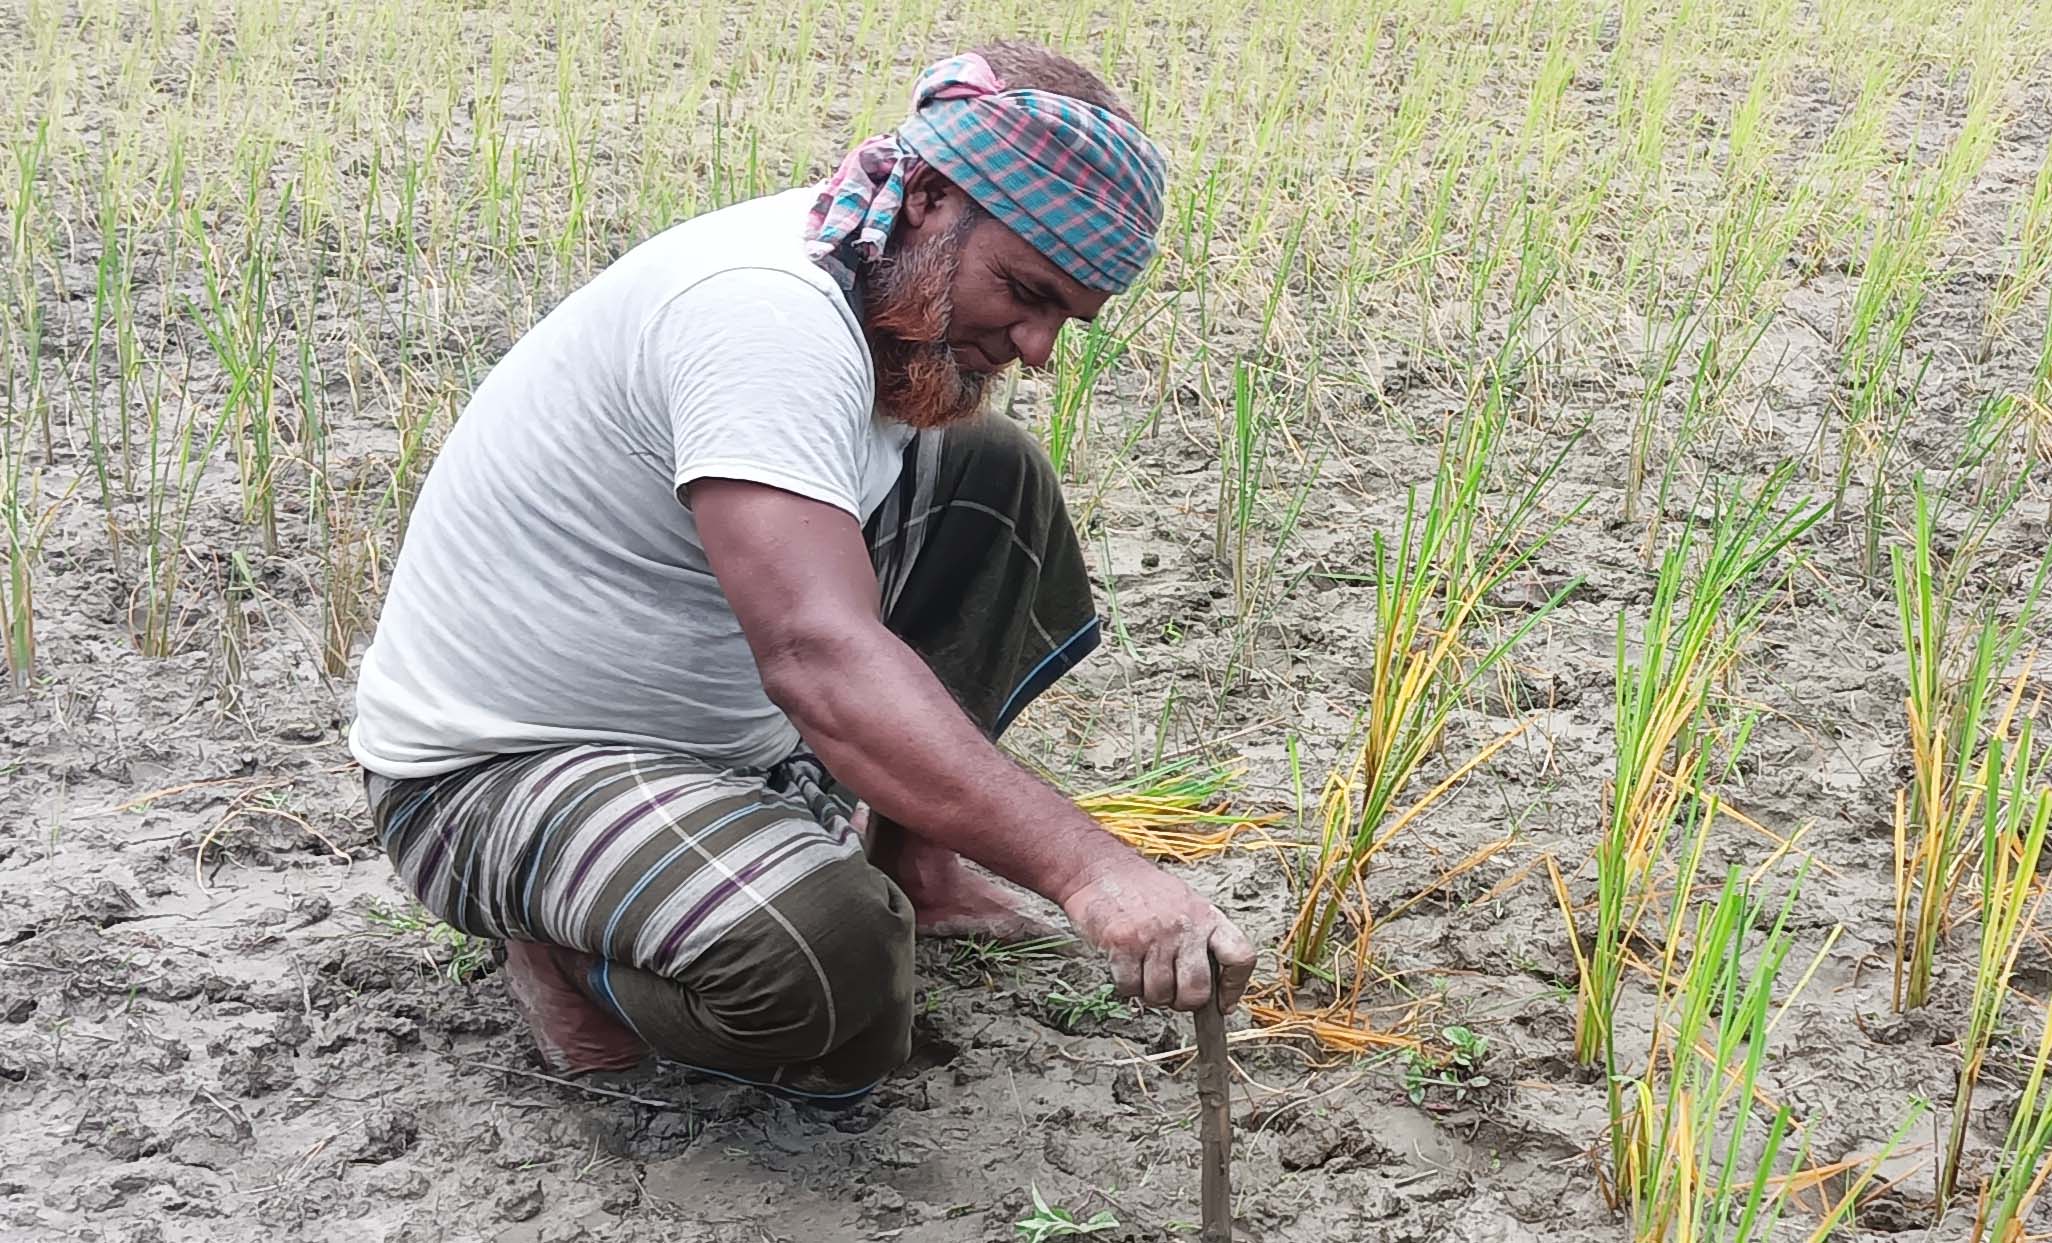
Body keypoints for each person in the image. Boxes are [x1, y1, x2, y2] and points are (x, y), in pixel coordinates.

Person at [347, 41, 1256, 1102]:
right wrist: (1093, 871)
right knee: (830, 975)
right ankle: (562, 955)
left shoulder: (866, 275)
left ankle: (909, 857)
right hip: (500, 774)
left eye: (1067, 316)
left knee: (985, 474)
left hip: (712, 740)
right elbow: (817, 654)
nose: (1040, 346)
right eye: (1022, 290)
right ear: (924, 195)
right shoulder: (765, 314)